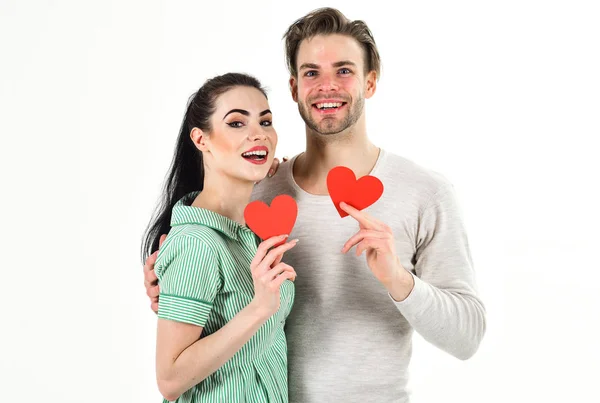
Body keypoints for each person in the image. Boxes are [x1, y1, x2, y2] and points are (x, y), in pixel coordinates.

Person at [143, 8, 486, 403]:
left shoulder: (424, 192)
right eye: (311, 73)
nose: (327, 87)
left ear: (370, 82)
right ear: (293, 88)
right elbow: (205, 288)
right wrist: (167, 280)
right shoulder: (257, 189)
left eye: (343, 70)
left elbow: (468, 338)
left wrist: (399, 281)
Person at [141, 72, 298, 402]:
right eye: (237, 124)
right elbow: (169, 380)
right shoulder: (197, 243)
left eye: (265, 122)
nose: (259, 134)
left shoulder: (249, 235)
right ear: (201, 140)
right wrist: (259, 309)